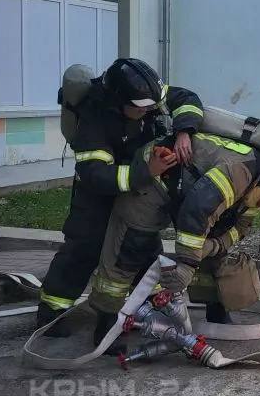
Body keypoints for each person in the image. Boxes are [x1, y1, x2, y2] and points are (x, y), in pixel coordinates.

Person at [88, 132, 260, 352]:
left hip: (187, 190)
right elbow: (196, 212)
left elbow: (238, 229)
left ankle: (215, 311)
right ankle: (106, 324)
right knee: (131, 247)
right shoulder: (238, 173)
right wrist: (186, 264)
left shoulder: (258, 188)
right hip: (157, 175)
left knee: (211, 252)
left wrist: (213, 247)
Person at [36, 59, 204, 333]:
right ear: (119, 102)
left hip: (139, 188)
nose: (152, 110)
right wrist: (146, 172)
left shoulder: (146, 96)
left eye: (154, 104)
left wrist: (185, 130)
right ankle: (52, 310)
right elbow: (96, 175)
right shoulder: (94, 118)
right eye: (143, 108)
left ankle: (146, 304)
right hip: (97, 196)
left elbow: (186, 98)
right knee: (85, 248)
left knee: (141, 245)